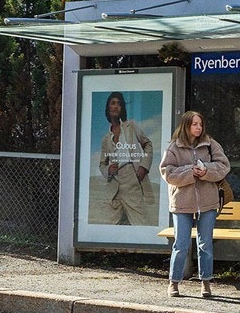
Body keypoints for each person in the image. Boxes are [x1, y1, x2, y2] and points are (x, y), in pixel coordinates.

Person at [159, 110, 230, 298]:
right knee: (181, 244)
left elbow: (224, 166)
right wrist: (191, 171)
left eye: (200, 124)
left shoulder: (210, 144)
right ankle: (173, 283)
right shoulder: (173, 148)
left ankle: (206, 283)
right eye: (194, 124)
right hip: (182, 202)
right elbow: (167, 172)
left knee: (205, 244)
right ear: (186, 125)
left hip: (208, 202)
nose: (198, 127)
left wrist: (206, 170)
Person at [96, 91, 155, 225]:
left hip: (132, 178)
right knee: (112, 225)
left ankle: (140, 246)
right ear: (108, 108)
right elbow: (102, 164)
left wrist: (143, 167)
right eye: (113, 103)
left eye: (119, 104)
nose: (116, 106)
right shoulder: (105, 139)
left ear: (122, 108)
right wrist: (108, 170)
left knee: (140, 223)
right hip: (114, 184)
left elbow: (148, 144)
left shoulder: (131, 126)